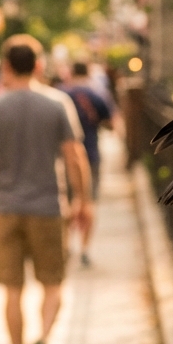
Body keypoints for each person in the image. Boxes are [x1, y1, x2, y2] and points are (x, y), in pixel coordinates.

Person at [0, 35, 93, 344]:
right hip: (49, 208)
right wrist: (82, 199)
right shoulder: (56, 105)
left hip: (6, 209)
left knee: (12, 292)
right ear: (39, 65)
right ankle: (44, 338)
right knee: (53, 285)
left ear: (5, 67)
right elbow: (74, 156)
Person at [62, 62, 112, 267]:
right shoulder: (97, 94)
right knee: (88, 202)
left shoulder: (61, 95)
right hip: (90, 155)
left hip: (64, 157)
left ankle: (65, 244)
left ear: (71, 72)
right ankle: (84, 249)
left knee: (65, 202)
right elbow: (112, 122)